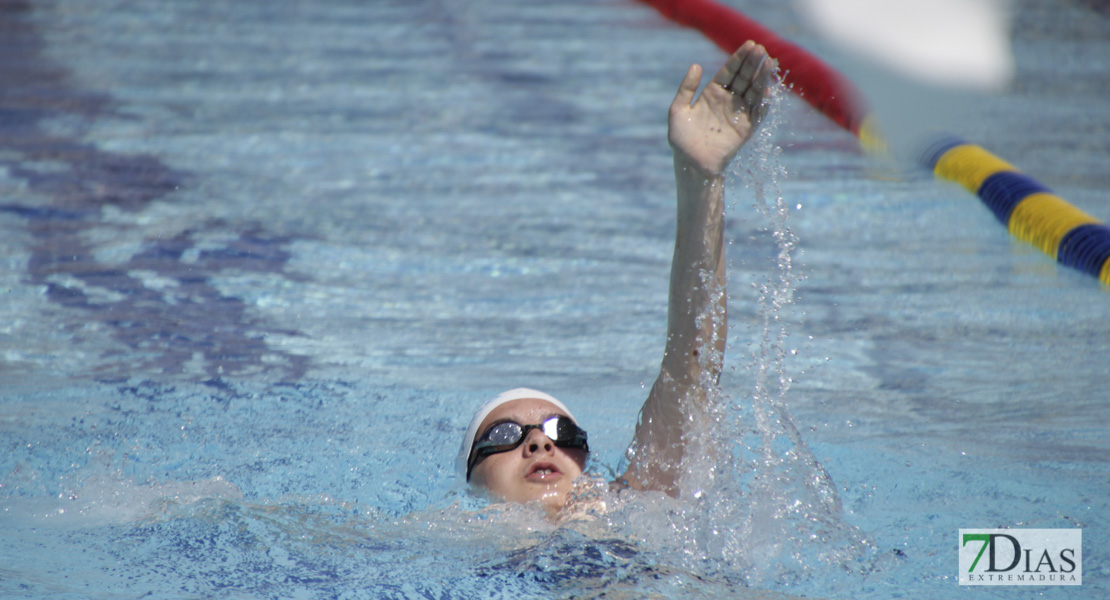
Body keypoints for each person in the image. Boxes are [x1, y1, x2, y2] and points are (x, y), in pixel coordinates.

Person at [457, 41, 775, 516]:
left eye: (563, 433)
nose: (542, 445)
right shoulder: (449, 539)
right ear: (470, 481)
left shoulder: (629, 506)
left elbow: (690, 371)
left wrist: (700, 179)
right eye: (504, 436)